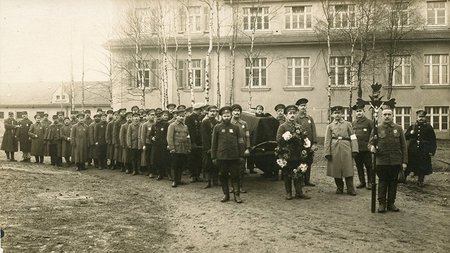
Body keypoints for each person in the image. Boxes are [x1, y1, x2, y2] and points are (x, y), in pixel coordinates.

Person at [369, 106, 407, 213]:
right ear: (381, 116)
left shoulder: (398, 128)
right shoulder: (377, 128)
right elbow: (370, 143)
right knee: (382, 182)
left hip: (395, 161)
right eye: (385, 115)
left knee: (393, 183)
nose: (387, 117)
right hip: (382, 162)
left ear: (392, 116)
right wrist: (372, 148)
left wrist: (404, 162)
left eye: (389, 114)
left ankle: (391, 203)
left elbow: (404, 146)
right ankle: (382, 204)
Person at [276, 105, 311, 200]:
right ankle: (288, 193)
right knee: (287, 173)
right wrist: (285, 138)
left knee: (299, 173)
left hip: (298, 153)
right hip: (287, 154)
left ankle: (299, 192)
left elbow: (304, 138)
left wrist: (306, 143)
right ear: (286, 115)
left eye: (294, 113)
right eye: (290, 113)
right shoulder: (282, 127)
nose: (292, 115)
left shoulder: (299, 126)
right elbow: (278, 140)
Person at [211, 106, 244, 203]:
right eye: (224, 116)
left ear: (231, 116)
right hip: (221, 157)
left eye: (228, 116)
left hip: (234, 156)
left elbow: (240, 141)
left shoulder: (235, 127)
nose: (226, 117)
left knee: (235, 176)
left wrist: (241, 155)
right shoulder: (217, 128)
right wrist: (213, 157)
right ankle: (226, 195)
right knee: (223, 176)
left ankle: (237, 195)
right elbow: (214, 143)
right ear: (221, 116)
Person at [324, 106, 359, 196]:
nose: (337, 115)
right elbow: (327, 139)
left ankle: (350, 188)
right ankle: (339, 187)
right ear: (332, 115)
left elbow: (353, 137)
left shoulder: (348, 124)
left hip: (346, 147)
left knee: (348, 168)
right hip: (334, 147)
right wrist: (327, 152)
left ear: (342, 114)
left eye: (339, 113)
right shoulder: (330, 126)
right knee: (336, 168)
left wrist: (355, 149)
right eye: (335, 113)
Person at [405, 109, 437, 187]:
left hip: (424, 150)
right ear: (416, 117)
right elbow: (405, 136)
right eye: (419, 117)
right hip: (413, 150)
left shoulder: (429, 127)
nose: (421, 118)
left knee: (422, 165)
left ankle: (420, 180)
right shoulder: (412, 126)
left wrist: (432, 151)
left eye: (423, 117)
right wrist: (410, 133)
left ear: (425, 118)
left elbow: (433, 140)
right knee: (409, 164)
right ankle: (403, 178)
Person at [295, 98, 318, 186]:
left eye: (304, 106)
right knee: (301, 162)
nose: (303, 107)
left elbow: (314, 130)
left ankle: (307, 180)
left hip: (309, 145)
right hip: (300, 145)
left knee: (309, 162)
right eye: (301, 106)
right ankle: (300, 181)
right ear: (298, 107)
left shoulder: (309, 118)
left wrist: (314, 143)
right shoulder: (297, 118)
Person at [231, 104, 252, 193]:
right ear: (232, 112)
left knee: (241, 168)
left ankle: (240, 186)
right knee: (232, 168)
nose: (236, 112)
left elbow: (247, 137)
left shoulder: (244, 123)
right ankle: (233, 187)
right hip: (232, 148)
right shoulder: (229, 123)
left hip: (242, 148)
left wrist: (247, 148)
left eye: (238, 111)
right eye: (235, 111)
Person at [351, 104, 374, 189]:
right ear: (355, 113)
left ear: (363, 111)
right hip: (357, 149)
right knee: (359, 166)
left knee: (369, 166)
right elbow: (352, 136)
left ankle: (370, 182)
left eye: (360, 111)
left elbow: (373, 135)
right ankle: (362, 182)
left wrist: (371, 145)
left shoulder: (369, 122)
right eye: (357, 111)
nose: (359, 113)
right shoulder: (353, 123)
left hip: (366, 149)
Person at [167, 109, 191, 187]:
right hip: (176, 148)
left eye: (183, 116)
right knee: (175, 164)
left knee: (181, 164)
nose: (181, 118)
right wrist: (172, 148)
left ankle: (179, 179)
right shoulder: (172, 125)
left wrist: (188, 147)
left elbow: (188, 137)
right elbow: (169, 137)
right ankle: (174, 181)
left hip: (183, 148)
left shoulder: (185, 126)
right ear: (176, 116)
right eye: (180, 116)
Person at [201, 105, 219, 188]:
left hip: (216, 146)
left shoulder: (217, 122)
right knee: (207, 164)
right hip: (207, 146)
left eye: (215, 111)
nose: (213, 113)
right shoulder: (205, 122)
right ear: (207, 112)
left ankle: (215, 180)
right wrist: (208, 148)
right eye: (211, 111)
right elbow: (204, 136)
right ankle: (208, 181)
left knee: (215, 164)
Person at [185, 102, 204, 182]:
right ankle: (193, 175)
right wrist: (191, 142)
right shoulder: (189, 118)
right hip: (192, 141)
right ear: (197, 110)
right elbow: (188, 130)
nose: (201, 111)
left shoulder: (200, 118)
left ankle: (198, 174)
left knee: (199, 158)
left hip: (199, 141)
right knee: (192, 158)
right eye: (200, 110)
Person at [150, 110, 171, 180]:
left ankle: (169, 174)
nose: (158, 118)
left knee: (167, 160)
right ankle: (160, 174)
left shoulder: (166, 124)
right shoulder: (154, 125)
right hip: (157, 145)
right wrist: (152, 137)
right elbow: (150, 135)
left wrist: (168, 144)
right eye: (156, 117)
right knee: (158, 160)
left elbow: (169, 135)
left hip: (164, 145)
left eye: (159, 117)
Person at [140, 109, 156, 178]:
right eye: (151, 115)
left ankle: (154, 171)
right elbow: (143, 135)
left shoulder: (155, 123)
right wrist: (143, 144)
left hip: (155, 143)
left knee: (154, 157)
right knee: (148, 157)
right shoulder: (145, 125)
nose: (153, 116)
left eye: (153, 115)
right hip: (148, 143)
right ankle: (150, 172)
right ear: (148, 116)